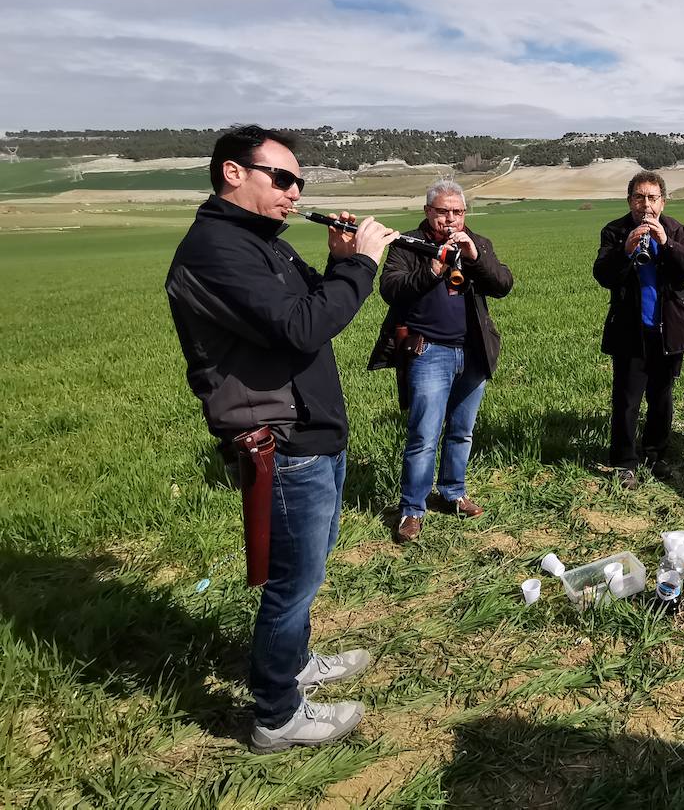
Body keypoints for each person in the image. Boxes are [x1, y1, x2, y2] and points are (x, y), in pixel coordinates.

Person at [166, 125, 397, 753]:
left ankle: (295, 663)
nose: (296, 192)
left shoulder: (262, 244)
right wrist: (361, 264)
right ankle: (277, 714)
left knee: (309, 569)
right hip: (279, 439)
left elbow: (313, 310)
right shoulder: (216, 251)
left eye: (300, 182)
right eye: (284, 178)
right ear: (233, 173)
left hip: (311, 430)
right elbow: (303, 327)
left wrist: (339, 262)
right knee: (291, 583)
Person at [368, 180, 513, 543]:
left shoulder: (476, 242)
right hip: (428, 351)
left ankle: (453, 492)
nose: (450, 219)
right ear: (427, 211)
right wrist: (433, 268)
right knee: (423, 435)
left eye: (458, 212)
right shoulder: (407, 244)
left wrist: (475, 257)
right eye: (443, 211)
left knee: (462, 431)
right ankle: (412, 510)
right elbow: (391, 290)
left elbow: (503, 284)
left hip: (473, 351)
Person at [593, 171, 684, 489]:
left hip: (669, 330)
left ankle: (656, 455)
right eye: (639, 197)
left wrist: (667, 244)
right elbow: (603, 275)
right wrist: (625, 251)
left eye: (652, 198)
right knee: (626, 400)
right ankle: (624, 463)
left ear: (662, 202)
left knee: (661, 398)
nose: (645, 204)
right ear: (630, 201)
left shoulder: (678, 230)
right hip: (631, 331)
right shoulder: (614, 231)